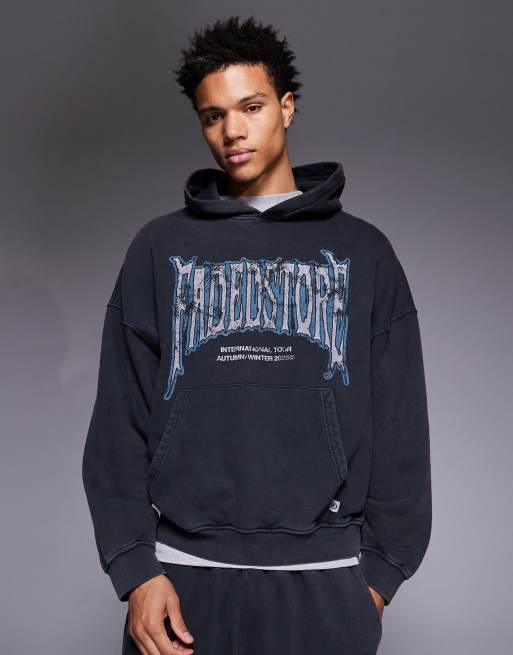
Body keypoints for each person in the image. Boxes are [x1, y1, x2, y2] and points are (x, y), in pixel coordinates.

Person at [81, 15, 432, 655]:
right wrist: (135, 572)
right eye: (213, 116)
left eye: (251, 107)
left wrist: (376, 580)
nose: (233, 131)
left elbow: (401, 426)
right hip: (181, 580)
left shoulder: (363, 252)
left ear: (286, 107)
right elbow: (117, 425)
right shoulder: (160, 248)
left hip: (324, 582)